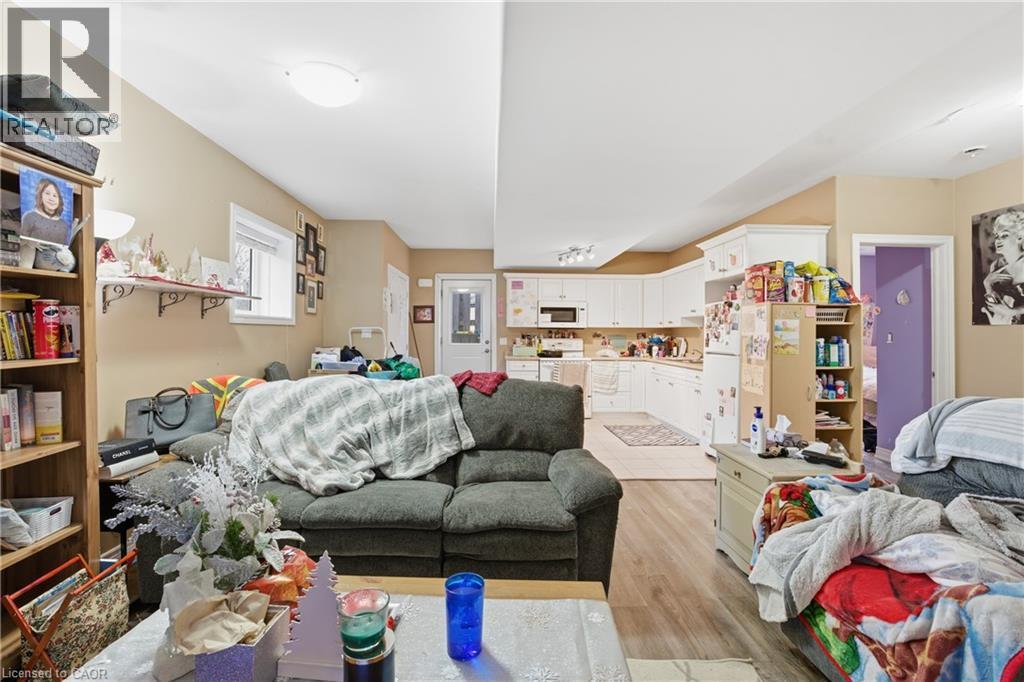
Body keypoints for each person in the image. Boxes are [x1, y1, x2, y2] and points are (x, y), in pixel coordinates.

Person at [982, 209, 1024, 324]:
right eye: (996, 236)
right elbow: (996, 305)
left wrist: (1013, 311)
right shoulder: (996, 265)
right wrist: (987, 285)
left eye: (1004, 235)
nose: (997, 240)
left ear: (1020, 237)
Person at [21, 178, 71, 245]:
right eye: (47, 193)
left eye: (55, 195)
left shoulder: (64, 224)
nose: (51, 198)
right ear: (40, 195)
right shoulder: (30, 217)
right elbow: (23, 244)